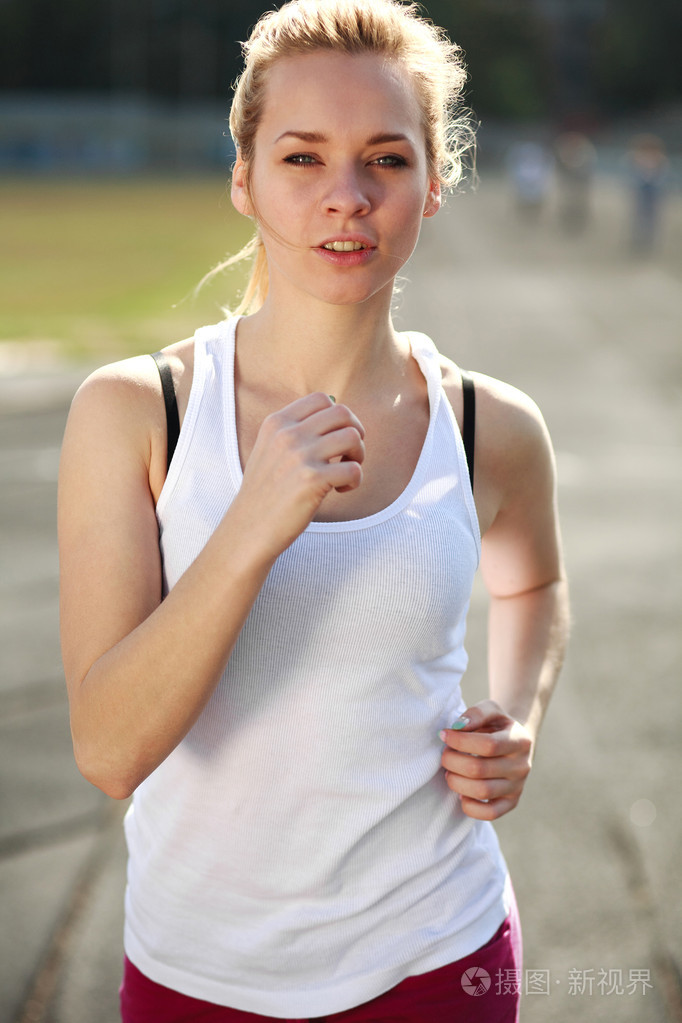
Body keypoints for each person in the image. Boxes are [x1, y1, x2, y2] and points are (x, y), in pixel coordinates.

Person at [58, 2, 569, 1020]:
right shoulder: (137, 414)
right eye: (302, 159)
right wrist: (253, 524)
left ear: (433, 187)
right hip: (200, 975)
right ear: (244, 179)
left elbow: (536, 583)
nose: (347, 196)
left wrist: (518, 714)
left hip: (441, 955)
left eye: (386, 158)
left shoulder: (488, 427)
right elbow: (110, 752)